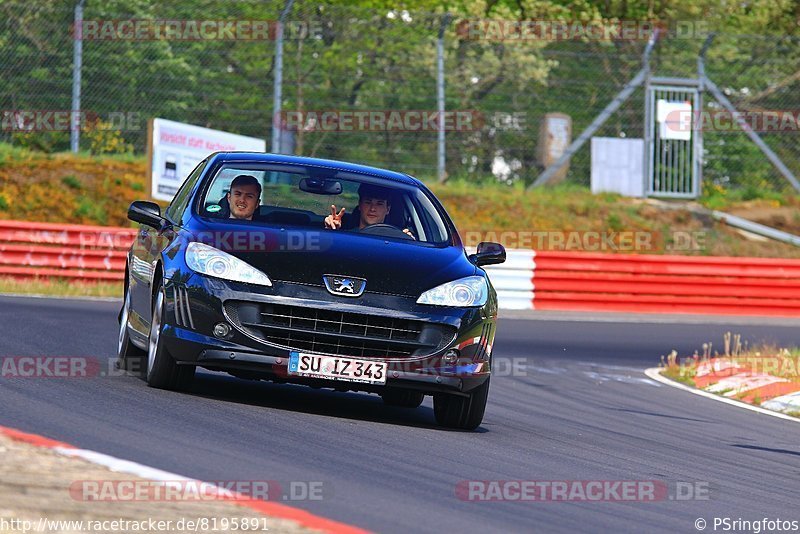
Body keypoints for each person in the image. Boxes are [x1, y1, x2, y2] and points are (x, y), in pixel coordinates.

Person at [324, 184, 414, 238]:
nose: (372, 209)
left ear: (388, 209)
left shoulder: (397, 240)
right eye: (368, 202)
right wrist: (332, 232)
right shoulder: (344, 234)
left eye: (379, 204)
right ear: (360, 205)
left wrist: (408, 243)